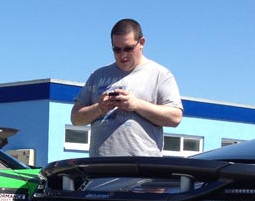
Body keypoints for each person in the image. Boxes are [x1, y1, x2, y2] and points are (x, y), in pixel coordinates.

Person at [71, 19, 183, 157]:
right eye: (116, 49)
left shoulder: (160, 74)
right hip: (100, 170)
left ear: (141, 43)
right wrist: (99, 108)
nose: (122, 55)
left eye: (128, 48)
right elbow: (75, 118)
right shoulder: (98, 76)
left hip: (141, 170)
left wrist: (136, 105)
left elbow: (175, 118)